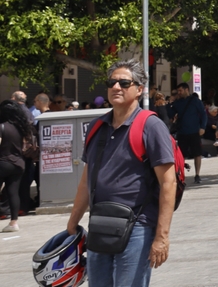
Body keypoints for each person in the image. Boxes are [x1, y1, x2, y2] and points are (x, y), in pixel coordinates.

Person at [65, 59, 176, 285]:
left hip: (137, 227)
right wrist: (72, 222)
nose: (116, 87)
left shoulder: (151, 126)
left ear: (139, 90)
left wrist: (161, 237)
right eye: (112, 82)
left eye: (124, 83)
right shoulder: (97, 127)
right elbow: (87, 179)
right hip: (100, 224)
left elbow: (168, 183)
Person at [0, 99, 31, 232]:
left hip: (3, 162)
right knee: (13, 193)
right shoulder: (21, 128)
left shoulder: (2, 126)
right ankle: (13, 223)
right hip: (18, 164)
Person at [170, 82, 207, 184]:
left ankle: (197, 175)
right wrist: (170, 103)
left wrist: (202, 127)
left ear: (187, 90)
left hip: (194, 131)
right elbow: (170, 114)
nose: (179, 93)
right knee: (181, 155)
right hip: (182, 132)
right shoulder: (178, 103)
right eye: (178, 91)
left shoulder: (195, 101)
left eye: (181, 90)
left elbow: (203, 114)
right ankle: (181, 175)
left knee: (197, 153)